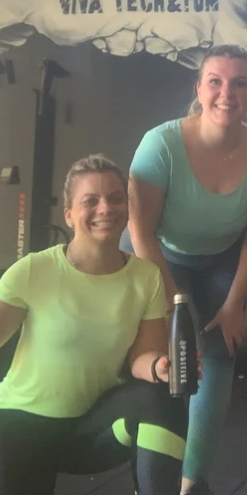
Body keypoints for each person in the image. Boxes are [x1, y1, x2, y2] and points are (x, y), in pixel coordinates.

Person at [124, 45, 247, 495]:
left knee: (219, 356)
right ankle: (146, 470)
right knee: (168, 357)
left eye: (239, 83)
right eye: (215, 81)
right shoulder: (161, 143)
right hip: (157, 254)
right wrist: (176, 308)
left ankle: (192, 482)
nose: (226, 93)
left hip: (222, 258)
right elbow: (141, 231)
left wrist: (234, 303)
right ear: (198, 88)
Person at [0, 155, 188, 495]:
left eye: (116, 198)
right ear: (69, 215)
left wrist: (161, 367)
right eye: (90, 201)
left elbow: (143, 357)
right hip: (20, 425)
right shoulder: (33, 270)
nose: (105, 209)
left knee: (164, 396)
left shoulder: (146, 277)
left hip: (93, 426)